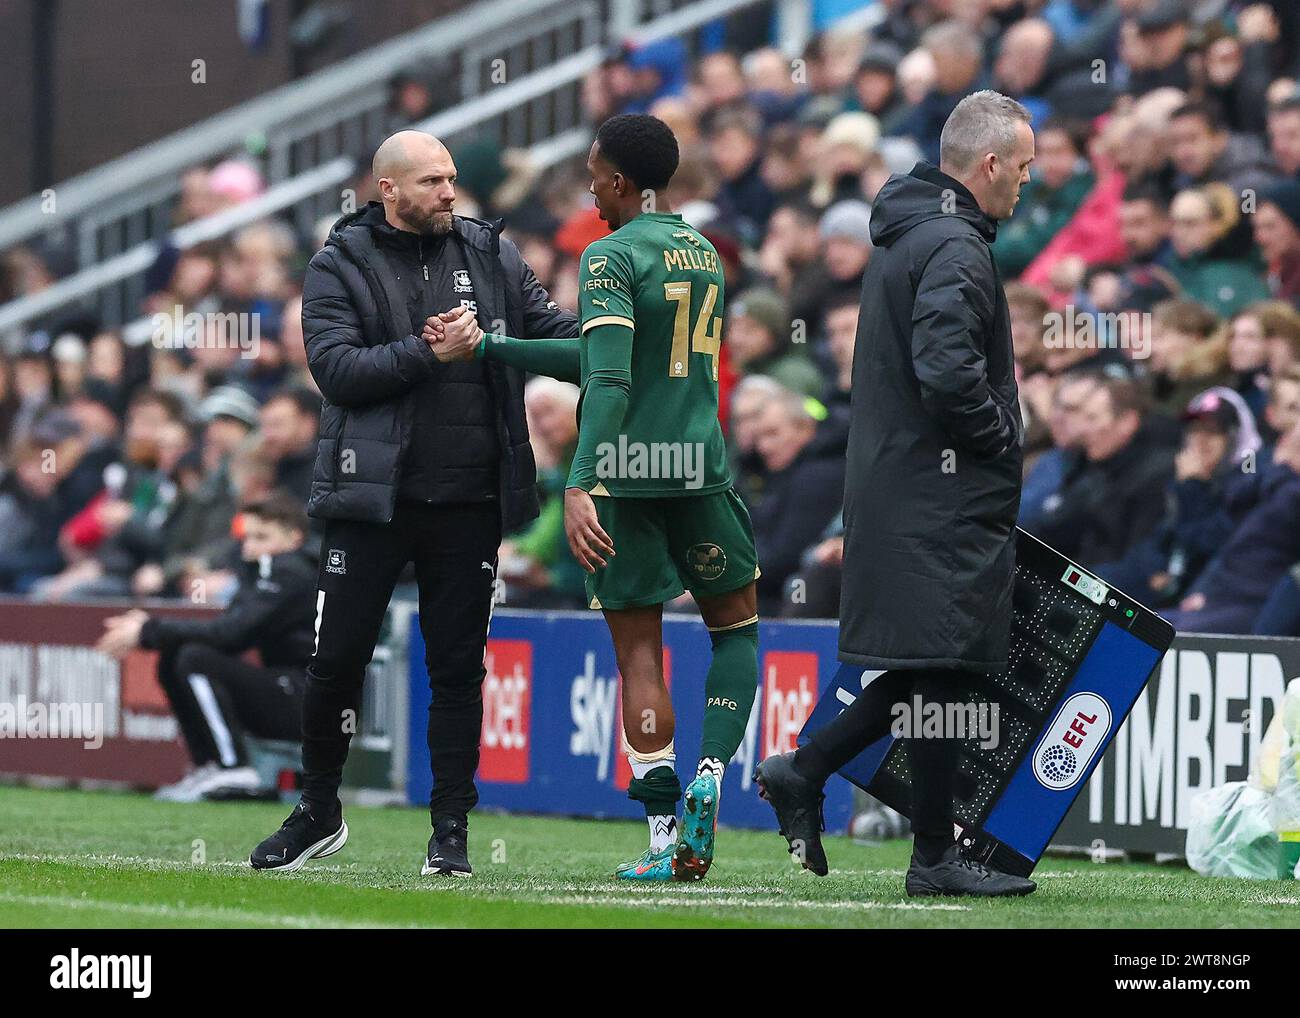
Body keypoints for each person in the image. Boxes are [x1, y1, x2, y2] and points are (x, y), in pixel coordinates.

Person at [430, 114, 760, 883]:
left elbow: (607, 377)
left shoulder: (609, 255)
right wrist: (491, 345)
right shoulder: (704, 251)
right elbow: (603, 352)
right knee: (736, 632)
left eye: (592, 171)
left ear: (616, 180)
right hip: (700, 467)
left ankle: (660, 834)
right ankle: (711, 773)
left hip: (623, 478)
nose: (587, 185)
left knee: (640, 652)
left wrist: (580, 481)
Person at [248, 130, 576, 876]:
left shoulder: (492, 252)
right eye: (431, 181)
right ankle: (319, 809)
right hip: (372, 500)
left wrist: (609, 331)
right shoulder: (338, 263)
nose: (449, 192)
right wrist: (430, 353)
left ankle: (450, 830)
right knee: (335, 664)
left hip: (469, 498)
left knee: (458, 669)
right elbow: (337, 372)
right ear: (387, 190)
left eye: (452, 178)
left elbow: (549, 329)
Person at [755, 90, 1039, 898]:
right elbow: (948, 374)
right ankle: (933, 859)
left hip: (903, 488)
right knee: (944, 670)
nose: (1025, 185)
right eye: (1020, 168)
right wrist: (1001, 439)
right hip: (938, 497)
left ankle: (803, 769)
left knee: (928, 668)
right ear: (988, 165)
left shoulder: (912, 235)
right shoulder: (954, 246)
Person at [97, 494, 317, 803]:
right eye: (247, 537)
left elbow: (232, 633)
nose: (250, 546)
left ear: (294, 538)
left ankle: (232, 768)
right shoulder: (266, 570)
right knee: (178, 654)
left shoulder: (291, 570)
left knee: (195, 658)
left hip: (309, 700)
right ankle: (211, 766)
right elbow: (230, 633)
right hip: (291, 692)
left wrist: (149, 629)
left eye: (262, 537)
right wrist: (156, 633)